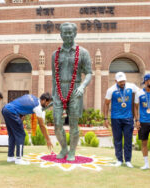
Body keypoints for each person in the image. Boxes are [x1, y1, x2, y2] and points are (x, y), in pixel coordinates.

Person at [51, 22, 92, 161]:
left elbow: (89, 73)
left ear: (75, 34)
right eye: (65, 33)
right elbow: (53, 76)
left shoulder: (83, 52)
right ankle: (63, 148)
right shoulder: (55, 54)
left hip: (75, 89)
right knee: (57, 124)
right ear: (60, 34)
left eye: (70, 32)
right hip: (59, 90)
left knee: (74, 124)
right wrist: (53, 94)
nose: (68, 35)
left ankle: (72, 151)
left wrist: (82, 87)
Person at [2, 93, 53, 165]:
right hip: (12, 112)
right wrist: (48, 140)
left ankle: (10, 157)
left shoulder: (32, 97)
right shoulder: (37, 107)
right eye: (48, 103)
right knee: (21, 135)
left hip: (5, 109)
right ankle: (19, 159)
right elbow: (42, 125)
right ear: (44, 100)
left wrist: (21, 117)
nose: (48, 105)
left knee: (12, 135)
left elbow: (23, 104)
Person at [104, 72, 140, 168]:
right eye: (120, 82)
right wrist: (105, 118)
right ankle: (119, 159)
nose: (122, 83)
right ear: (116, 81)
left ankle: (128, 160)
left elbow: (142, 92)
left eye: (123, 81)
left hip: (128, 118)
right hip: (116, 118)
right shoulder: (111, 90)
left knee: (128, 140)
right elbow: (106, 104)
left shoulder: (131, 86)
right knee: (117, 140)